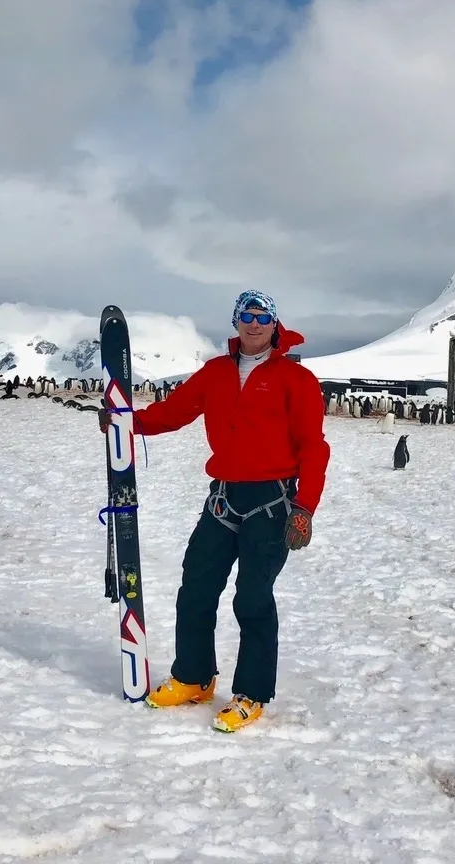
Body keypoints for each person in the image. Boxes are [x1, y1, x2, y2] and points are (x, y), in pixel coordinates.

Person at [99, 289, 330, 732]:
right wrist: (126, 421)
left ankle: (251, 693)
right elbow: (173, 412)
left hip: (272, 503)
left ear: (275, 324)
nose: (255, 323)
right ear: (236, 321)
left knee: (253, 597)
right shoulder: (216, 373)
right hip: (223, 498)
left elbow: (313, 448)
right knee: (197, 587)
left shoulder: (296, 380)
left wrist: (305, 507)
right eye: (247, 315)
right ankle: (193, 675)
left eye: (263, 316)